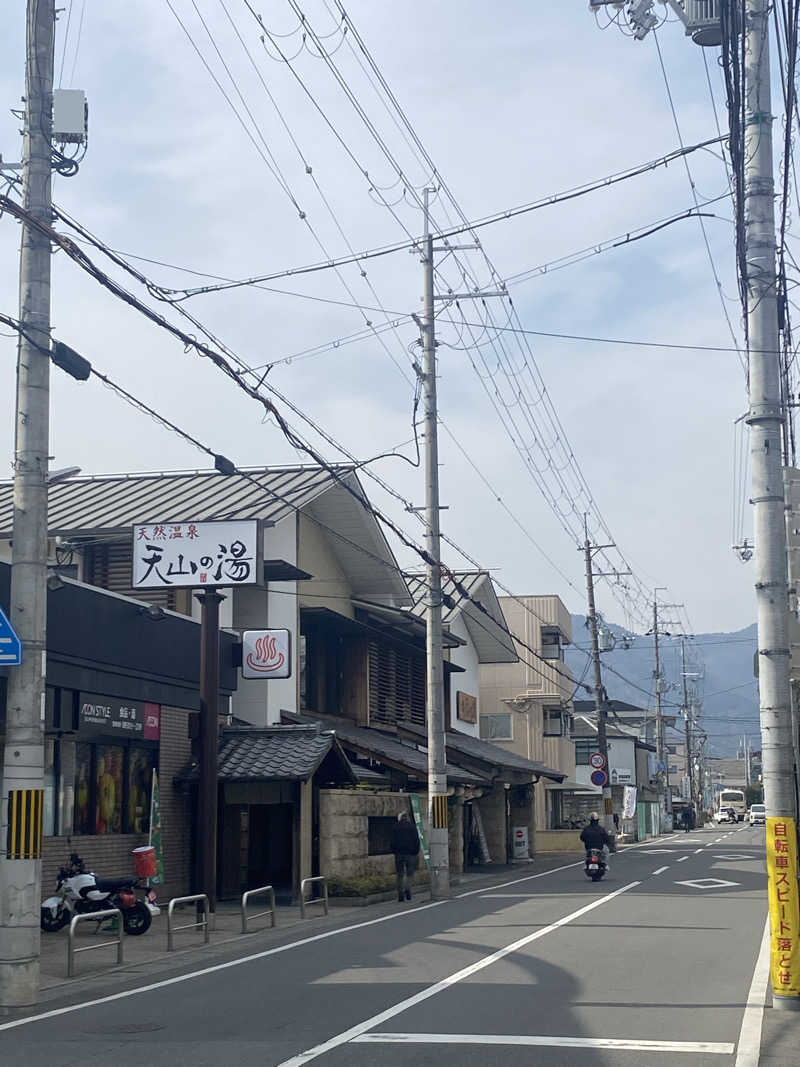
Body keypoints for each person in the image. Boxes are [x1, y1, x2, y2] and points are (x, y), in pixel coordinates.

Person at [391, 811, 420, 902]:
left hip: (399, 853)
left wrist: (394, 851)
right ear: (407, 818)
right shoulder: (412, 827)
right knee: (410, 873)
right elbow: (416, 840)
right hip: (410, 853)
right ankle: (407, 888)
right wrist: (416, 851)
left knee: (400, 874)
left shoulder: (395, 827)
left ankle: (400, 894)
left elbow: (392, 841)